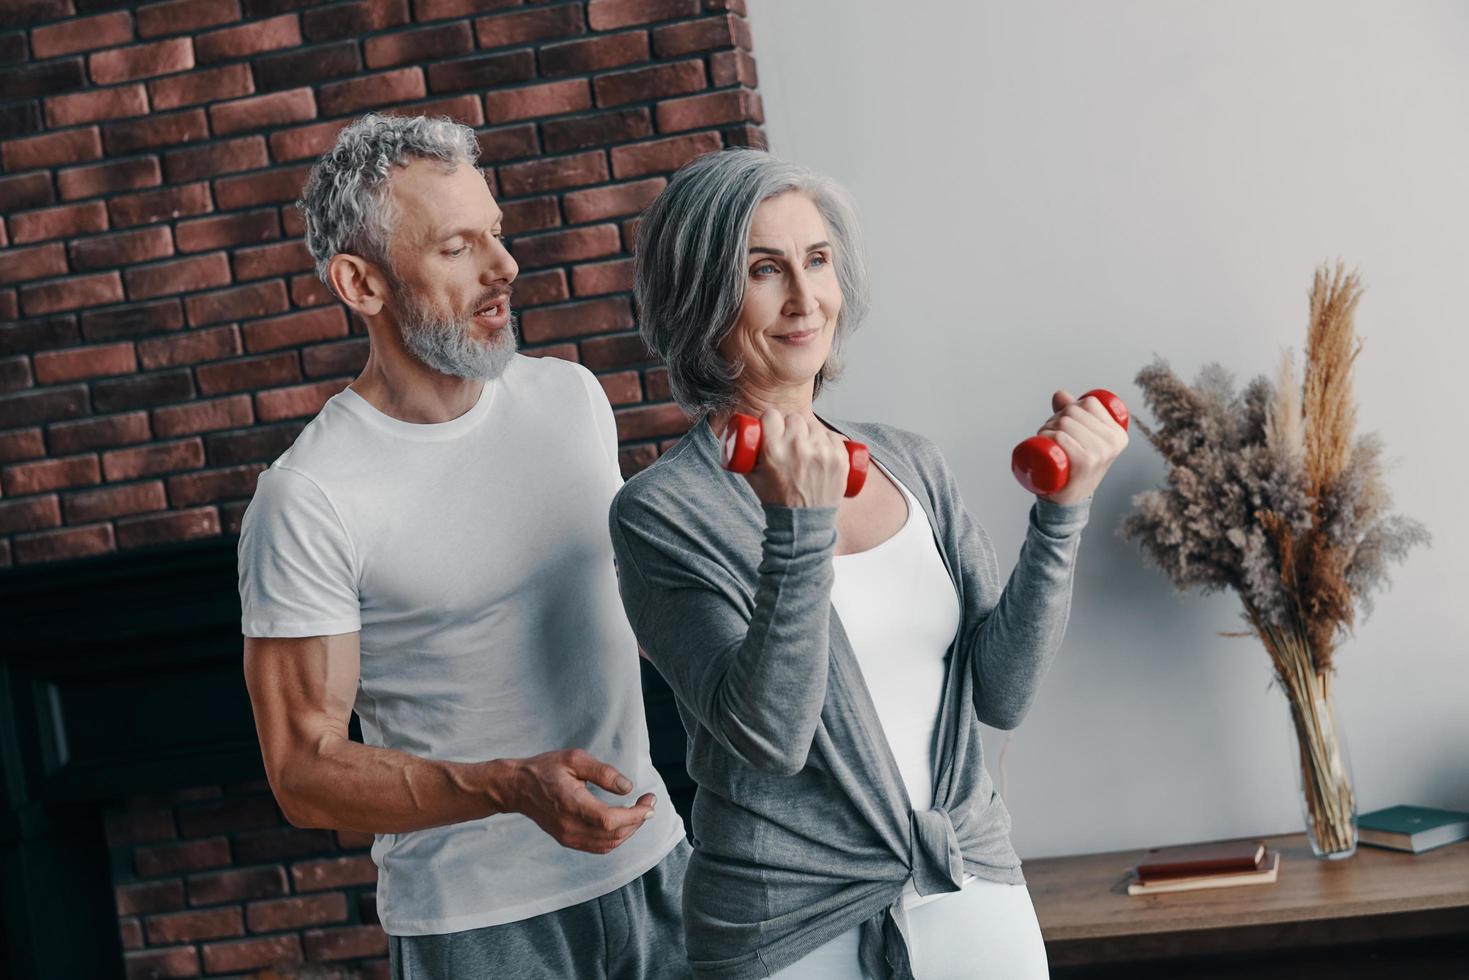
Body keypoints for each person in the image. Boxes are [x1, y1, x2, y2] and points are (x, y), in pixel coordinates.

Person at [608, 148, 1127, 979]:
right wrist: (798, 529)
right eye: (763, 270)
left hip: (967, 887)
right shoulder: (662, 513)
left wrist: (1060, 516)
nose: (805, 297)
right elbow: (768, 738)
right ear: (701, 295)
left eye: (816, 261)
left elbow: (1003, 693)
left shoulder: (908, 462)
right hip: (787, 927)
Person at [237, 113, 690, 980]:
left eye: (497, 234)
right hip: (480, 928)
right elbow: (302, 771)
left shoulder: (570, 400)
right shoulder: (309, 497)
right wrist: (507, 786)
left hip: (657, 868)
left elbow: (637, 615)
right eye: (457, 247)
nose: (503, 267)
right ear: (360, 284)